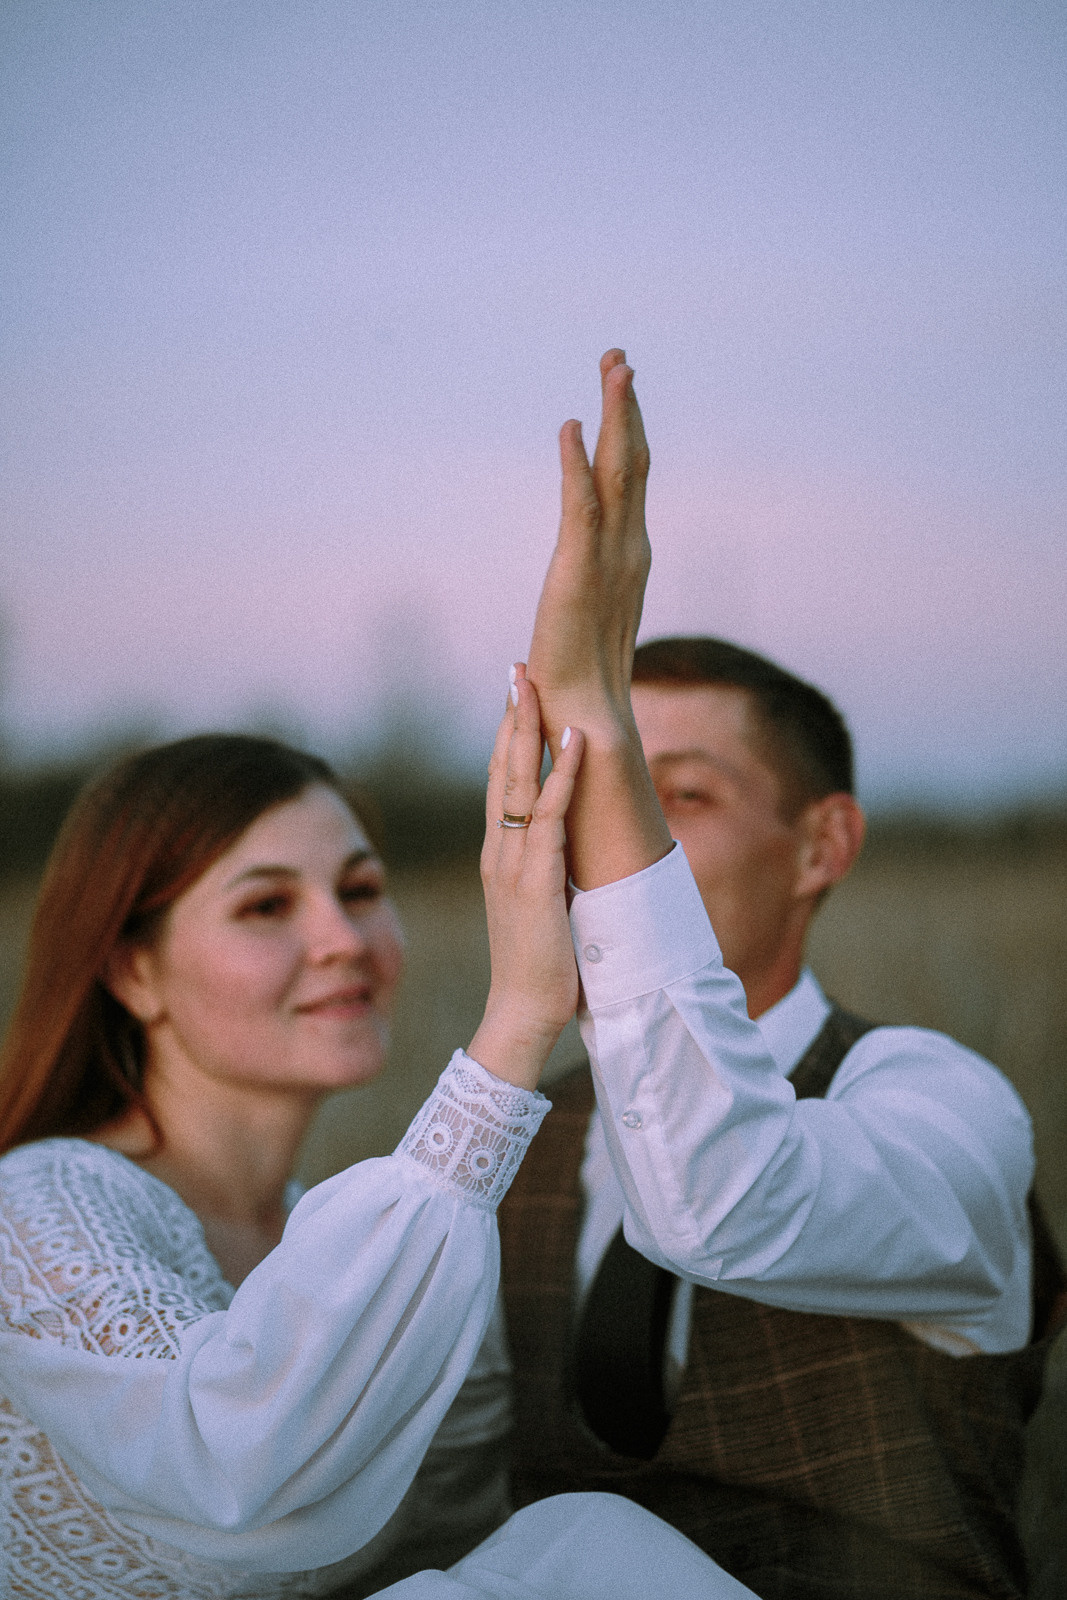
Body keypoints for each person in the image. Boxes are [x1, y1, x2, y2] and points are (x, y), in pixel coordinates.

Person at [0, 362, 760, 1600]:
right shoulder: (42, 1206)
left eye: (357, 887)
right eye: (265, 905)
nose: (342, 936)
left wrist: (593, 723)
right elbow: (233, 1461)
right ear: (132, 968)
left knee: (580, 1549)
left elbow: (446, 1526)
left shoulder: (330, 1231)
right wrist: (520, 1020)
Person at [499, 349, 1063, 1599]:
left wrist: (589, 688)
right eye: (583, 793)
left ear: (823, 845)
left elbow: (722, 1198)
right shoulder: (518, 1146)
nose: (605, 837)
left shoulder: (937, 1104)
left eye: (668, 793)